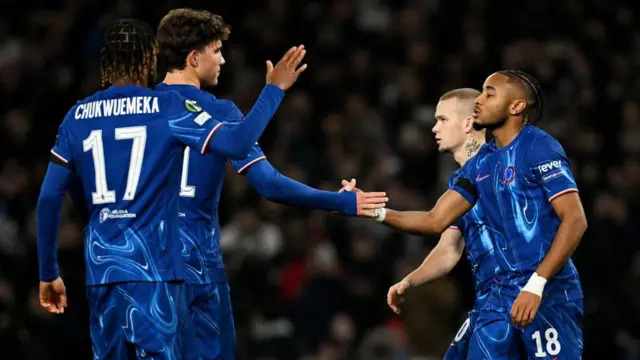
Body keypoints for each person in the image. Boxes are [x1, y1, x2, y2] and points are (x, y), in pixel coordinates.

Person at [37, 17, 307, 359]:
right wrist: (273, 91)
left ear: (104, 61)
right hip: (156, 271)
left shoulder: (76, 116)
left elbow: (49, 196)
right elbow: (238, 143)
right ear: (150, 59)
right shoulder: (163, 107)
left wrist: (49, 272)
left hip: (102, 272)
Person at [154, 8, 388, 360]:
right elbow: (269, 185)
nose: (222, 59)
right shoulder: (223, 114)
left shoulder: (135, 109)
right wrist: (340, 202)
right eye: (216, 50)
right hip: (197, 263)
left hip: (145, 263)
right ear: (193, 56)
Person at [365, 70, 587, 359]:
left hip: (548, 292)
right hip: (495, 300)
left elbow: (576, 219)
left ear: (517, 106)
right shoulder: (478, 166)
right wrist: (374, 211)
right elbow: (436, 221)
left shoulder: (539, 146)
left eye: (490, 93)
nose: (480, 100)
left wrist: (537, 284)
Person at [380, 88, 504, 359]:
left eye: (443, 120)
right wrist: (410, 281)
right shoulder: (462, 180)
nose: (434, 128)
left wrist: (375, 212)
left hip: (526, 296)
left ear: (469, 123)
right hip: (491, 302)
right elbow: (449, 248)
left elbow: (434, 221)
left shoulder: (497, 166)